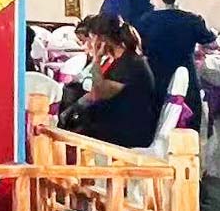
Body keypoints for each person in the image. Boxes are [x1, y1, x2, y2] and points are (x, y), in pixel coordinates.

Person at [58, 14, 159, 149]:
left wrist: (96, 59)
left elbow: (97, 93)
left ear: (102, 40)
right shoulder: (122, 60)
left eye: (91, 39)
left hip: (129, 131)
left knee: (72, 135)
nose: (90, 45)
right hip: (119, 123)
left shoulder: (130, 64)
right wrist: (74, 108)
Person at [133, 0, 215, 131]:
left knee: (157, 128)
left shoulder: (145, 22)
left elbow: (137, 48)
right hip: (187, 82)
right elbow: (212, 44)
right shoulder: (192, 20)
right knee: (190, 131)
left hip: (156, 82)